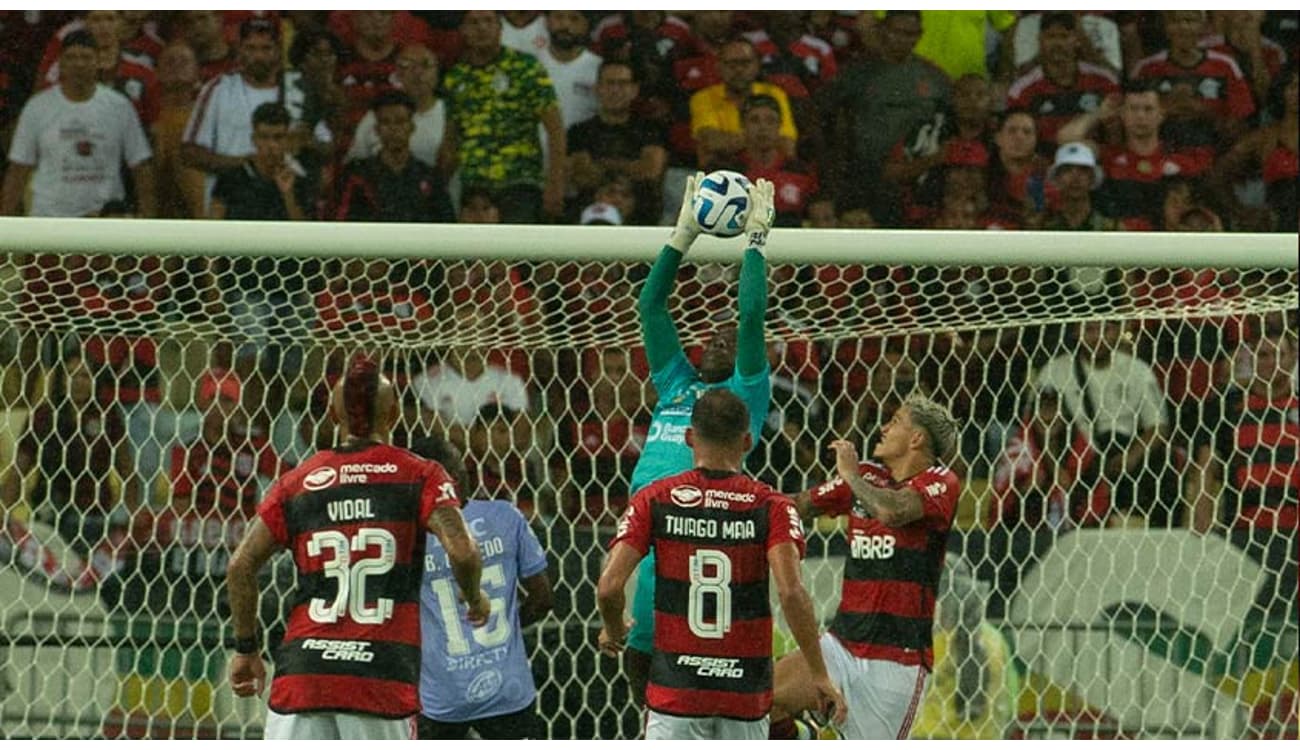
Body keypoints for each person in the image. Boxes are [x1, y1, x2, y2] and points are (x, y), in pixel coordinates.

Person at [225, 355, 489, 740]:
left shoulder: (298, 481)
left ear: (333, 415)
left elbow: (240, 566)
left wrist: (246, 648)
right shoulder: (421, 474)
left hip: (305, 675)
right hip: (379, 678)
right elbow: (463, 552)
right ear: (395, 413)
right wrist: (474, 598)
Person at [597, 390, 846, 740]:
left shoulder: (654, 498)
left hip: (676, 692)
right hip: (744, 694)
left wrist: (614, 628)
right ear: (746, 441)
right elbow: (792, 593)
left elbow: (609, 587)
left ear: (688, 438)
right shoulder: (772, 505)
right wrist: (819, 675)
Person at [620, 174, 776, 705]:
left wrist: (755, 243)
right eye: (713, 331)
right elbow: (651, 309)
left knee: (712, 678)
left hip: (707, 532)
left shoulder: (743, 394)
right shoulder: (676, 384)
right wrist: (681, 235)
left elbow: (752, 315)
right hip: (648, 536)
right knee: (640, 667)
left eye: (728, 338)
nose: (716, 336)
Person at [771, 393, 961, 740]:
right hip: (841, 644)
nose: (885, 428)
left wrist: (851, 477)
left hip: (896, 662)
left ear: (917, 438)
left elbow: (893, 512)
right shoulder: (868, 476)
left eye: (896, 422)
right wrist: (740, 505)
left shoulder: (941, 482)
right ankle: (804, 735)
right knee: (761, 700)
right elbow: (796, 505)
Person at [412, 435, 553, 740]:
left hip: (441, 696)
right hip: (508, 690)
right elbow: (542, 599)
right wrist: (507, 630)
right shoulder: (506, 516)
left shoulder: (410, 536)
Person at [2, 30, 155, 218]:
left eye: (86, 57)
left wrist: (147, 217)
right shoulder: (37, 108)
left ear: (98, 61)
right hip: (50, 220)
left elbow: (141, 165)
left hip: (103, 219)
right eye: (71, 57)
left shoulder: (120, 106)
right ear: (61, 63)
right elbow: (18, 169)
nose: (79, 64)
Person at [443, 10, 565, 223]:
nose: (482, 28)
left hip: (520, 182)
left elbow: (555, 129)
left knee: (516, 254)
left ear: (500, 28)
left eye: (488, 21)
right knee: (475, 255)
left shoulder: (526, 67)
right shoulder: (456, 78)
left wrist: (555, 183)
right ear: (462, 30)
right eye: (474, 22)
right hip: (474, 187)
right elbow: (451, 139)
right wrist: (439, 185)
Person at [335, 90, 454, 223]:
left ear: (412, 127)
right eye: (386, 122)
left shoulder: (430, 178)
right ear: (377, 129)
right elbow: (340, 224)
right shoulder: (357, 175)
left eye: (400, 121)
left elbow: (446, 226)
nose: (393, 129)